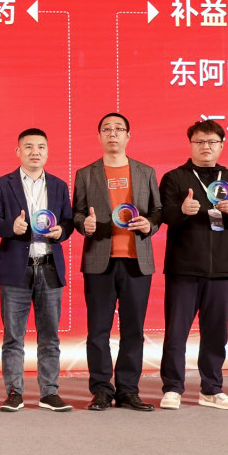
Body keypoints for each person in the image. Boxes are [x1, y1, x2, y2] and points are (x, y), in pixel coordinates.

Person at [158, 119, 228, 409]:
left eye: (212, 142)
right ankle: (172, 388)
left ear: (221, 145)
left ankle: (211, 389)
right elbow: (164, 215)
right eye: (199, 142)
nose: (205, 147)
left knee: (216, 333)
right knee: (176, 332)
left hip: (221, 269)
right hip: (183, 267)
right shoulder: (175, 178)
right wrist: (182, 210)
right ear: (191, 145)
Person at [72, 112, 162, 411]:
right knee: (98, 330)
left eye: (119, 129)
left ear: (128, 136)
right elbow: (77, 212)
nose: (113, 133)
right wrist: (84, 223)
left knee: (133, 330)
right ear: (99, 136)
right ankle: (100, 390)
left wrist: (150, 224)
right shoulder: (86, 173)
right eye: (107, 129)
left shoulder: (145, 171)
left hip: (137, 261)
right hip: (100, 259)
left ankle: (128, 390)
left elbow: (157, 211)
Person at [0, 129, 76, 412]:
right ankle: (14, 392)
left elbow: (68, 221)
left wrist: (61, 231)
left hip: (49, 266)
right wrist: (10, 227)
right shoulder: (1, 184)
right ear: (18, 151)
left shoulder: (59, 185)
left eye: (40, 147)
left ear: (47, 152)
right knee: (13, 336)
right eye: (28, 146)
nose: (34, 152)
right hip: (16, 267)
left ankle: (49, 392)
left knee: (50, 336)